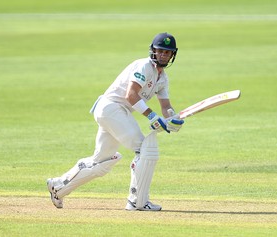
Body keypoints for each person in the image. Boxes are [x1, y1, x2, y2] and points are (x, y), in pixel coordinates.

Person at [47, 32, 184, 211]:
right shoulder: (144, 66)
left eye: (168, 52)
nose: (164, 55)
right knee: (145, 150)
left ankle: (58, 186)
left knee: (101, 162)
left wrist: (172, 118)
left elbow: (166, 106)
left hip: (113, 112)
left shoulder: (163, 78)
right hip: (112, 108)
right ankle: (138, 201)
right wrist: (152, 116)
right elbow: (131, 95)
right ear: (153, 51)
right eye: (161, 51)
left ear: (172, 55)